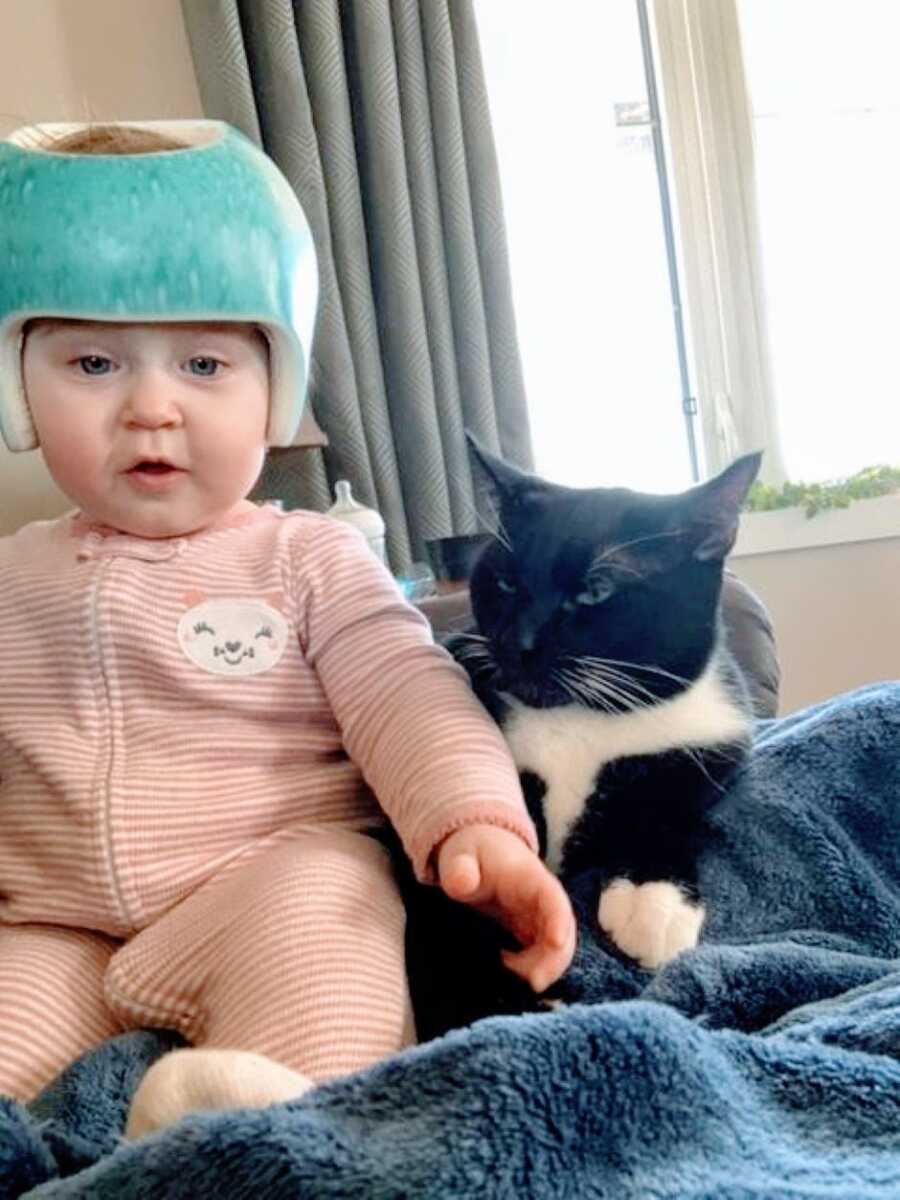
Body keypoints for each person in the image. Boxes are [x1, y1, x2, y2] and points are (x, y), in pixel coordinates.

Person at [0, 120, 576, 1136]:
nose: (150, 408)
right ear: (18, 386)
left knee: (330, 931)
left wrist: (477, 824)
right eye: (92, 363)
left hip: (263, 879)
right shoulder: (11, 575)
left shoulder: (307, 556)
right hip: (52, 925)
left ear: (278, 385)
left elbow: (407, 694)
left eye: (206, 365)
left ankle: (266, 1134)